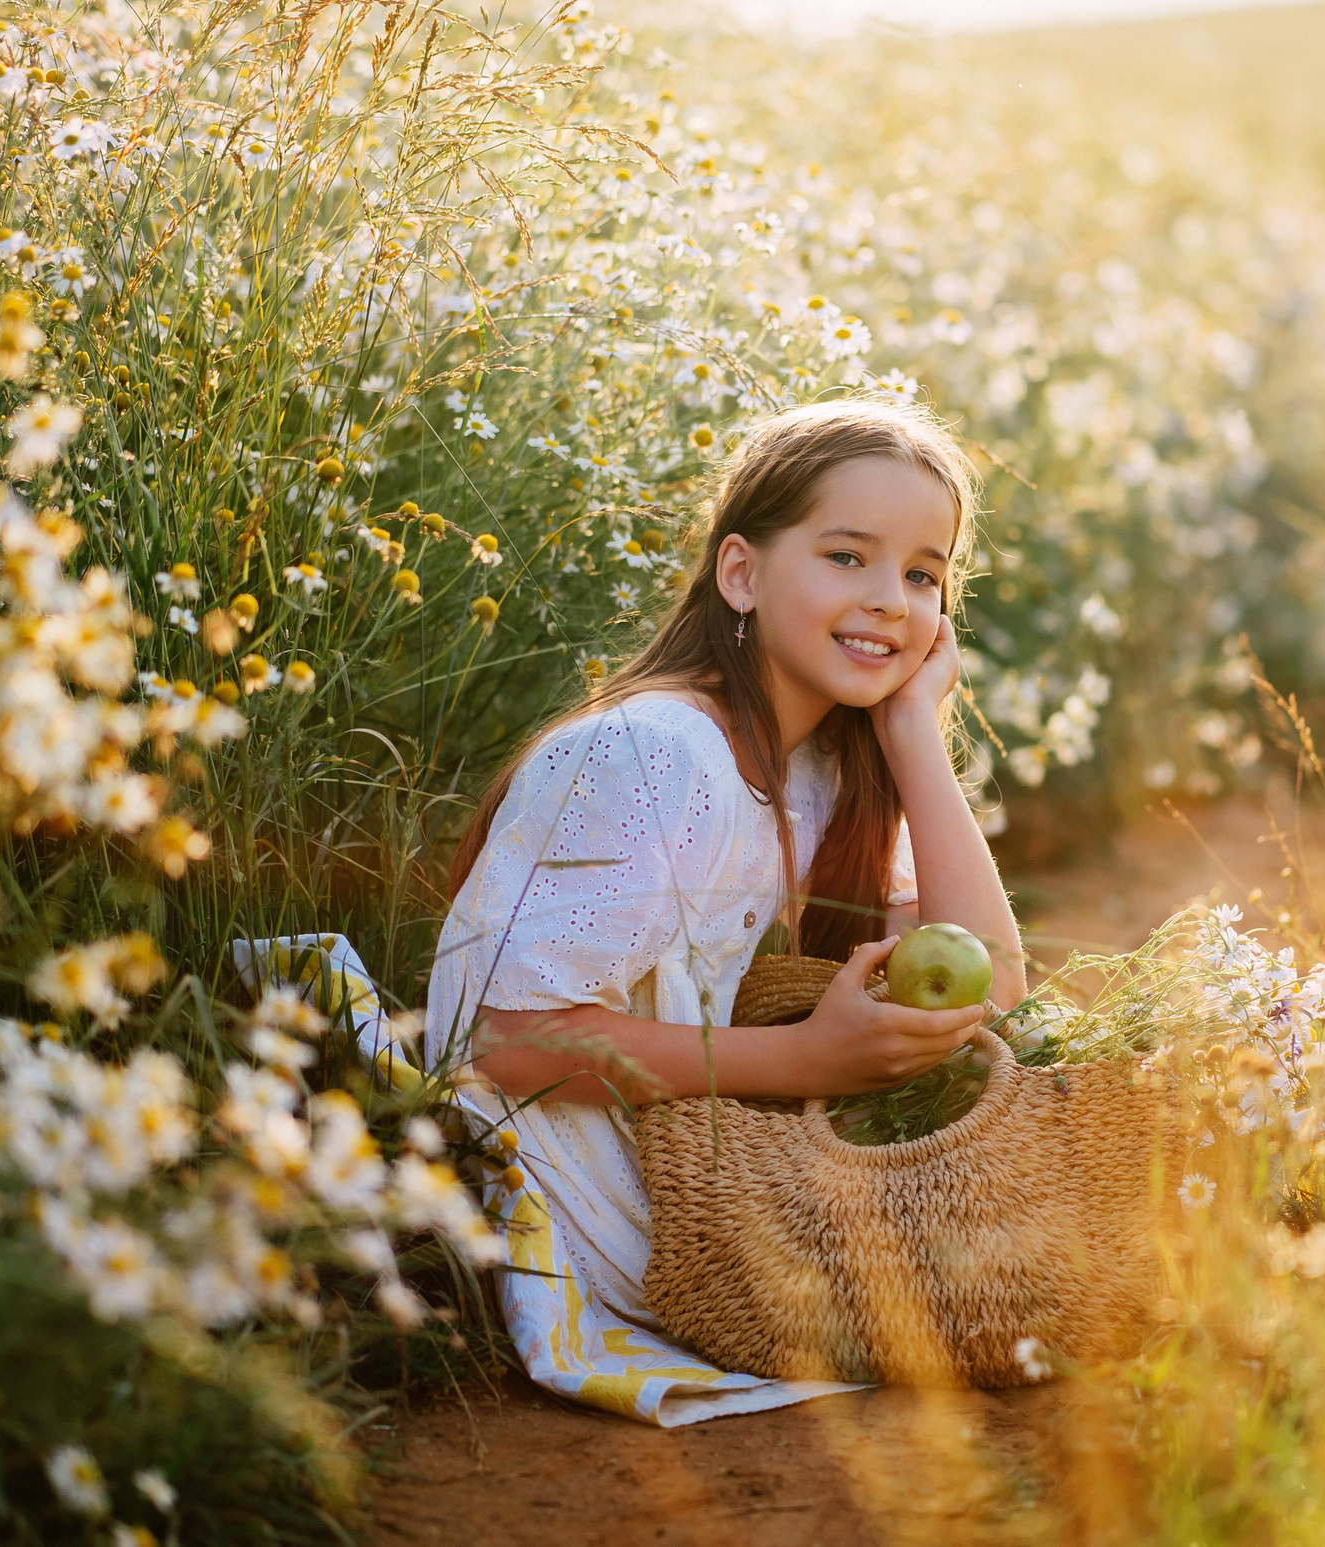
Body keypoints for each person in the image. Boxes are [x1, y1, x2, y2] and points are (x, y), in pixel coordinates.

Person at [424, 399, 1028, 1425]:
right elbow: (504, 1046)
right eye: (847, 557)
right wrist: (808, 1066)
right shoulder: (652, 753)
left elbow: (995, 982)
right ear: (741, 573)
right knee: (994, 1286)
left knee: (1039, 1245)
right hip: (590, 1185)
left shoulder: (825, 765)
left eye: (923, 575)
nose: (890, 600)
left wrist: (914, 738)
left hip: (697, 1157)